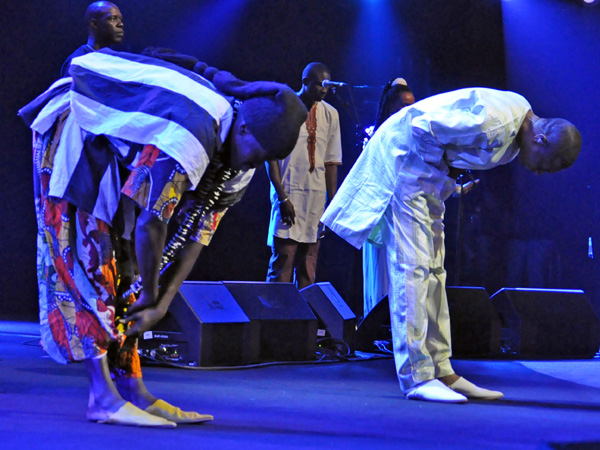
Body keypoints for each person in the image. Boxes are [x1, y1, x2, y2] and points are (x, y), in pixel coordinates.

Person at [20, 48, 307, 426]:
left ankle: (134, 390)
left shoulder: (242, 162)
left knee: (129, 269)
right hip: (77, 122)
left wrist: (159, 301)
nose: (252, 166)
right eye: (255, 156)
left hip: (117, 152)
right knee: (89, 254)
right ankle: (102, 397)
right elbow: (151, 223)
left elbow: (196, 235)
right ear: (243, 129)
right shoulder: (194, 132)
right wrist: (152, 294)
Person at [321, 87, 581, 403]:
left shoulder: (520, 120)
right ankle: (416, 376)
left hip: (426, 179)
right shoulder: (494, 124)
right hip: (406, 165)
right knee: (413, 269)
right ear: (541, 140)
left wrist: (446, 177)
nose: (539, 172)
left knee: (434, 272)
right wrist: (444, 171)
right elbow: (421, 127)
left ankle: (443, 371)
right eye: (546, 165)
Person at [266, 62, 342, 289]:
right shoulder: (283, 108)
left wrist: (332, 201)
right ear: (305, 82)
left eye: (326, 85)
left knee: (309, 268)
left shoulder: (331, 114)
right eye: (319, 84)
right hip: (288, 195)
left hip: (316, 199)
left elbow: (331, 161)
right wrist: (282, 198)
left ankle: (304, 323)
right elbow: (271, 158)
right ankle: (275, 321)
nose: (323, 89)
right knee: (283, 264)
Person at [363, 78, 416, 317]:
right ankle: (375, 331)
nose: (409, 111)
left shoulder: (414, 138)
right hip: (381, 218)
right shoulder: (379, 138)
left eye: (412, 105)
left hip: (405, 218)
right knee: (381, 277)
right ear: (390, 108)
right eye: (404, 106)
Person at [60, 1, 124, 77]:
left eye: (120, 19)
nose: (120, 24)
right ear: (94, 24)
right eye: (113, 18)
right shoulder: (77, 62)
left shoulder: (114, 60)